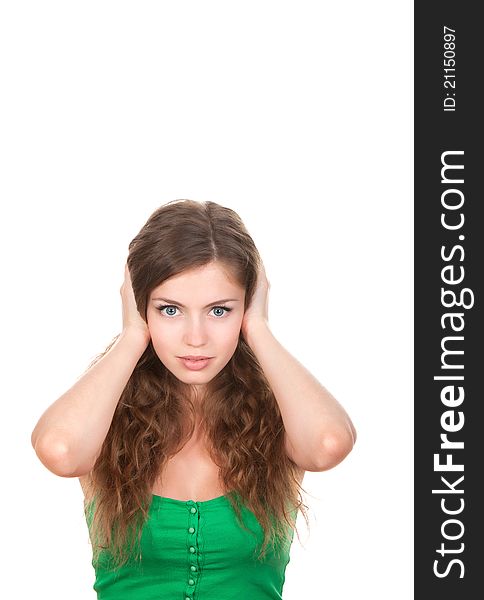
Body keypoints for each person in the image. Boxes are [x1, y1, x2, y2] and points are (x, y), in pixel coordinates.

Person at [31, 198, 357, 599]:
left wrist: (258, 328)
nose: (195, 337)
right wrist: (133, 335)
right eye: (170, 310)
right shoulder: (105, 412)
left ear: (246, 306)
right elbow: (60, 451)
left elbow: (329, 444)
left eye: (219, 311)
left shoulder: (281, 413)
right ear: (140, 307)